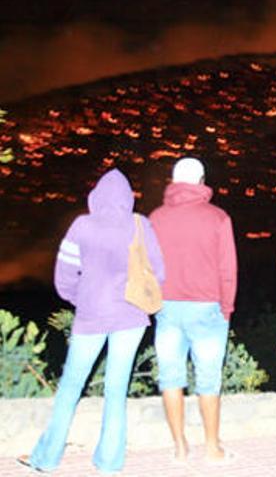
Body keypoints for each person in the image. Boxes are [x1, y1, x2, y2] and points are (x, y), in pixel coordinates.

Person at [17, 169, 165, 474]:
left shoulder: (82, 226)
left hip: (90, 315)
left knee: (71, 386)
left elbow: (64, 275)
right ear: (128, 198)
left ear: (96, 196)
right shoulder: (140, 224)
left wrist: (80, 297)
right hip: (132, 316)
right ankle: (109, 462)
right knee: (116, 388)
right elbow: (159, 273)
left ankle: (46, 459)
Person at [149, 157, 238, 462]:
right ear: (202, 182)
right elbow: (228, 269)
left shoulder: (156, 218)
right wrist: (227, 307)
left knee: (170, 377)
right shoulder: (218, 218)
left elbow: (149, 266)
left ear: (173, 181)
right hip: (207, 306)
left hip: (167, 307)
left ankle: (180, 447)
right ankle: (212, 448)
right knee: (209, 380)